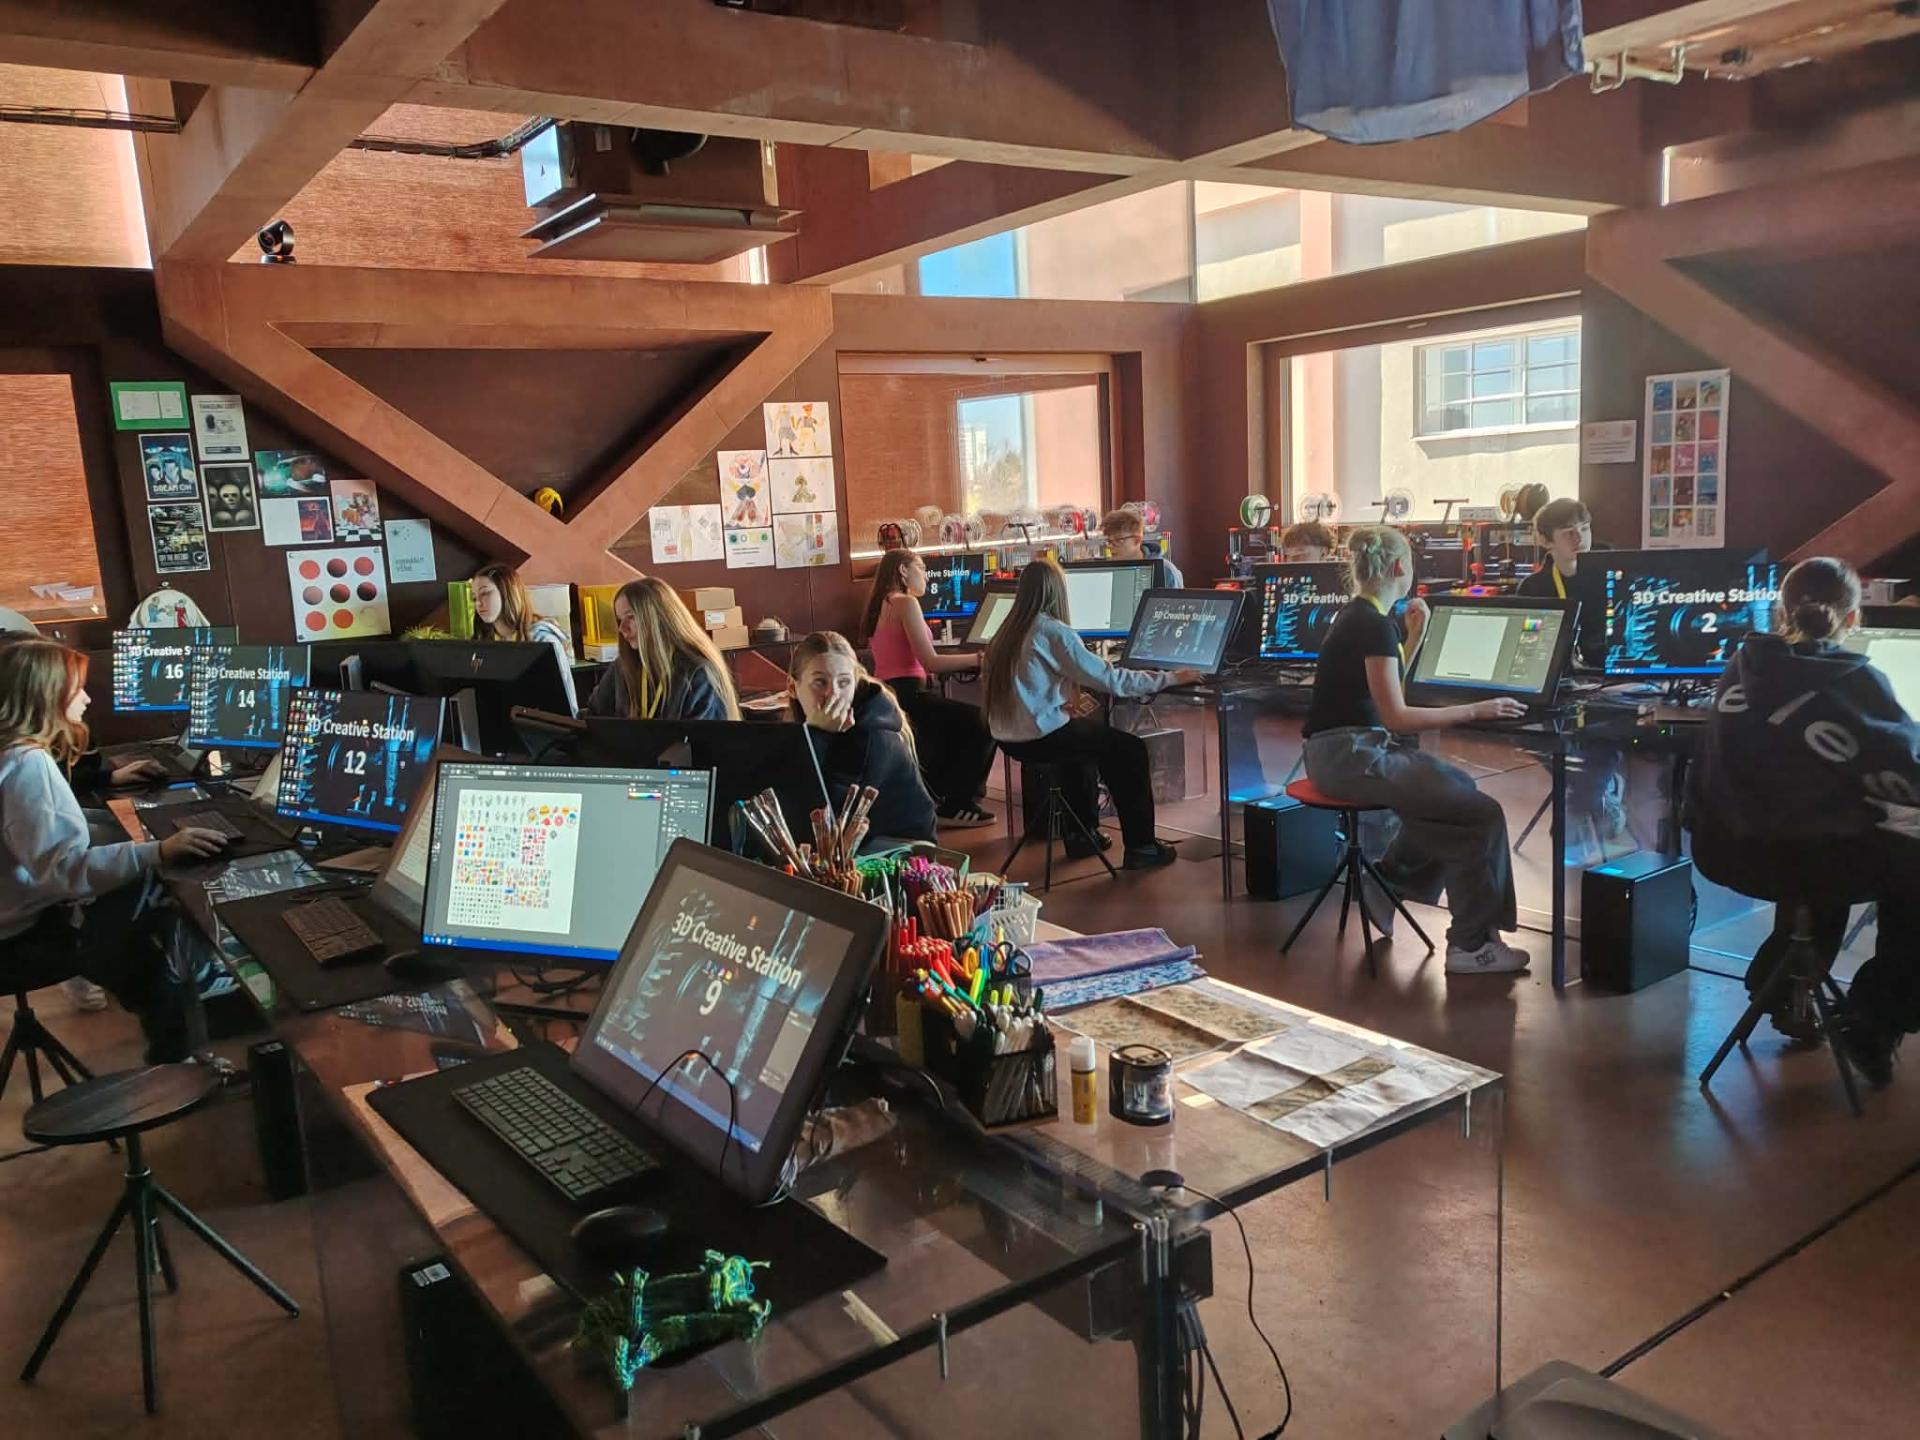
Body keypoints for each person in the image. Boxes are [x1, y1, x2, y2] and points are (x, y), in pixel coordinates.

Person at [1688, 557, 1920, 1085]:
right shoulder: (1855, 678)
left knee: (1820, 833)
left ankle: (1784, 976)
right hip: (1811, 857)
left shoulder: (1743, 664)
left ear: (1780, 611)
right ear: (1853, 618)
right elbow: (1906, 772)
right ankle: (1875, 1018)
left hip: (1727, 849)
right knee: (1903, 863)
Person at [1301, 524, 1531, 974]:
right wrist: (1476, 710)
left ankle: (1388, 882)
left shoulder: (1363, 617)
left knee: (1456, 797)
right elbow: (1397, 716)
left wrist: (1414, 638)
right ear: (1399, 567)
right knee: (1479, 813)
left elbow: (1385, 695)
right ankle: (1469, 944)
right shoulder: (1372, 626)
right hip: (1351, 756)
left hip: (1341, 753)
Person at [0, 640, 229, 1061]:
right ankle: (181, 1048)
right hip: (20, 941)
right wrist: (157, 850)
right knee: (162, 896)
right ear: (47, 694)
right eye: (77, 688)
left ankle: (173, 1018)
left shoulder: (9, 753)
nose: (87, 698)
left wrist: (128, 833)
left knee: (139, 896)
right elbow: (65, 871)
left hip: (10, 923)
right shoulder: (26, 763)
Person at [982, 557, 1201, 870]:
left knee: (1083, 746)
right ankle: (1142, 846)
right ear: (1057, 591)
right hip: (1041, 735)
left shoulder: (1005, 631)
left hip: (1008, 738)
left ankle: (1082, 836)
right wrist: (1170, 678)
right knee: (1128, 749)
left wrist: (1059, 697)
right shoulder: (1052, 631)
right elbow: (1112, 680)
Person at [861, 550, 997, 828]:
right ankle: (959, 802)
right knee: (984, 722)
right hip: (909, 694)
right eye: (921, 568)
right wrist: (979, 659)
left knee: (956, 723)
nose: (926, 576)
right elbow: (930, 661)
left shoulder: (879, 604)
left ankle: (942, 795)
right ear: (903, 570)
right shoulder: (905, 602)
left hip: (890, 695)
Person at [787, 632, 935, 847]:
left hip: (900, 848)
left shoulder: (870, 735)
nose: (834, 694)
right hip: (857, 843)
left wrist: (815, 735)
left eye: (844, 682)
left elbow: (827, 817)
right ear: (792, 687)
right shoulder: (812, 728)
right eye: (820, 682)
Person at [584, 577, 739, 721]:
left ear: (659, 619)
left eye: (631, 617)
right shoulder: (623, 666)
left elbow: (703, 738)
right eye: (619, 619)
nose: (622, 628)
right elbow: (593, 716)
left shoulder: (698, 673)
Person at [471, 562, 578, 714]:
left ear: (507, 593)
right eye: (474, 598)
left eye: (485, 593)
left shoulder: (543, 640)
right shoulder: (485, 642)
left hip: (539, 724)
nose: (478, 603)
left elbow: (562, 705)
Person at [1101, 508, 1184, 586]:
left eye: (1119, 540)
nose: (1110, 546)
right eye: (1109, 541)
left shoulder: (1166, 571)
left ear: (1137, 540)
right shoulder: (1107, 570)